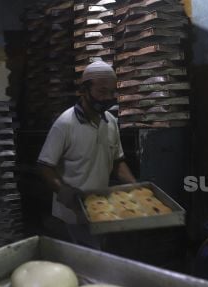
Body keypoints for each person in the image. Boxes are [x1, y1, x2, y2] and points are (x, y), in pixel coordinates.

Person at [37, 61, 137, 249]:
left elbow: (117, 161)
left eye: (111, 92)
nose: (107, 98)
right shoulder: (65, 124)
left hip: (100, 210)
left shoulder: (111, 123)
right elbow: (45, 166)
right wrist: (64, 192)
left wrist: (135, 187)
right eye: (101, 91)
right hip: (71, 215)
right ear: (84, 90)